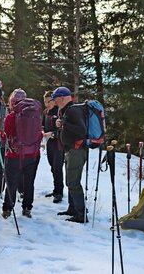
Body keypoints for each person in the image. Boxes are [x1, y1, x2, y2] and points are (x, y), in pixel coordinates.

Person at [1, 89, 42, 219]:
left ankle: (8, 208)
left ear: (12, 102)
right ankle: (27, 208)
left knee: (11, 182)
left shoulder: (11, 117)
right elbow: (39, 134)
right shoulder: (34, 114)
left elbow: (5, 136)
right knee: (29, 182)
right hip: (34, 154)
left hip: (15, 155)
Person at [53, 87, 88, 223]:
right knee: (70, 180)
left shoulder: (73, 110)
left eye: (56, 99)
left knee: (73, 182)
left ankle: (81, 214)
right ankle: (72, 208)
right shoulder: (68, 110)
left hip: (77, 150)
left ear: (62, 98)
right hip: (71, 150)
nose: (55, 102)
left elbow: (81, 130)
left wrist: (64, 124)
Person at [42, 90, 64, 203]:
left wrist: (53, 133)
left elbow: (62, 128)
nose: (47, 104)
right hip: (49, 143)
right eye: (45, 102)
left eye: (49, 101)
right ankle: (56, 189)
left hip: (59, 143)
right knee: (52, 167)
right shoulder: (45, 112)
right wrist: (42, 132)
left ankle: (59, 192)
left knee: (57, 167)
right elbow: (42, 125)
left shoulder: (59, 111)